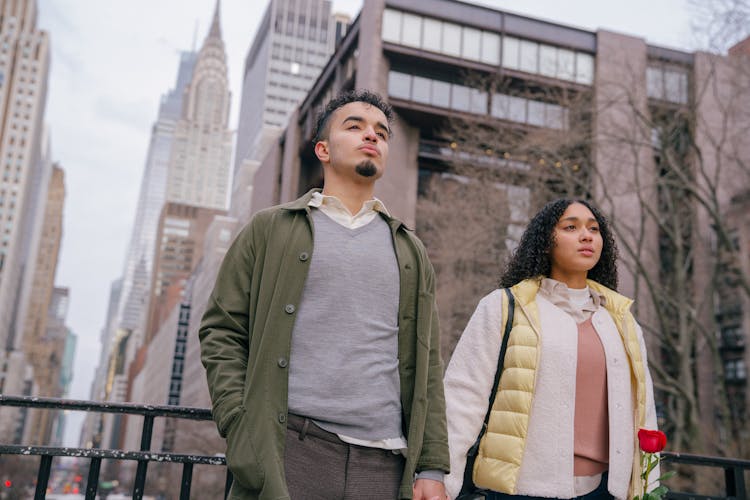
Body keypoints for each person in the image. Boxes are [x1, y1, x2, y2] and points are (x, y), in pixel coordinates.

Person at [199, 89, 449, 500]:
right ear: (323, 149)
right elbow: (222, 330)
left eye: (382, 133)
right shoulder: (270, 229)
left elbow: (429, 364)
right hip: (290, 451)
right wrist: (238, 420)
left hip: (385, 464)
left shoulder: (411, 251)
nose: (372, 136)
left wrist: (433, 465)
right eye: (354, 127)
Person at [443, 199, 659, 500]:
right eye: (571, 227)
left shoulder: (621, 320)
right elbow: (462, 399)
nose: (587, 236)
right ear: (545, 242)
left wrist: (648, 489)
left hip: (605, 491)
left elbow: (644, 410)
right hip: (519, 491)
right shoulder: (505, 307)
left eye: (594, 229)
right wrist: (441, 480)